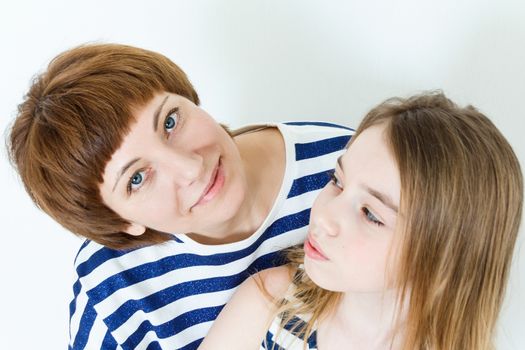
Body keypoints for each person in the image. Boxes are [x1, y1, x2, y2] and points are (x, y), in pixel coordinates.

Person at [7, 43, 353, 349]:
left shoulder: (345, 170)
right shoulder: (113, 289)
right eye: (138, 178)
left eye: (170, 122)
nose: (190, 169)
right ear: (120, 221)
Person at [198, 92, 523, 350]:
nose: (324, 216)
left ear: (446, 255)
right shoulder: (270, 304)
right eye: (337, 180)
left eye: (370, 214)